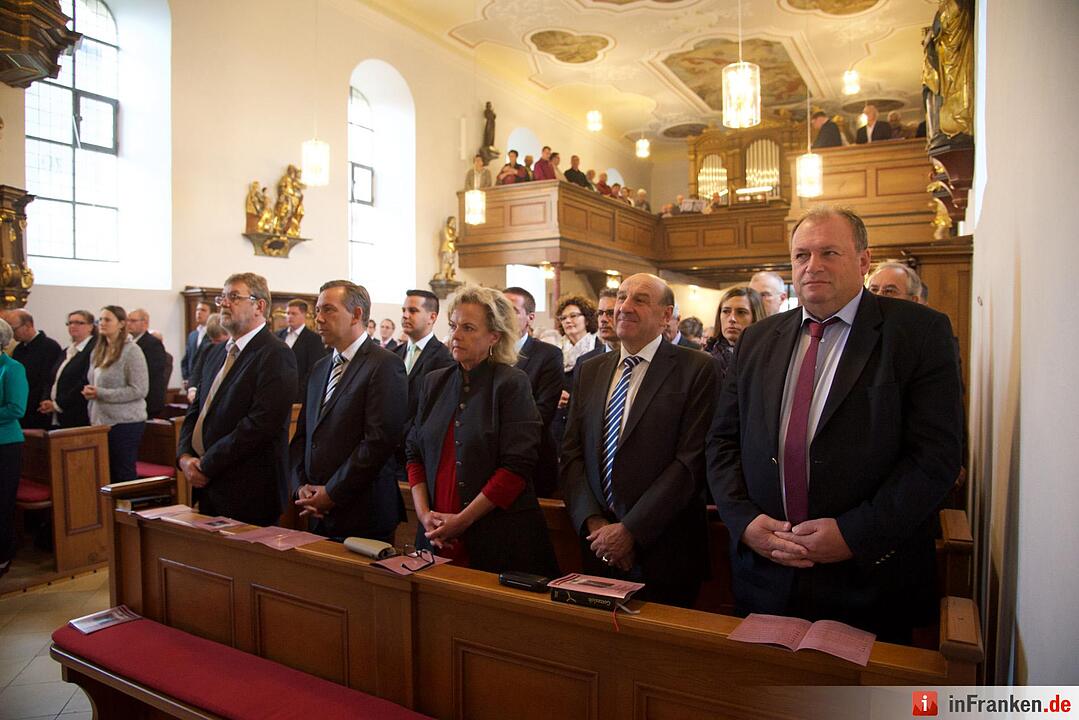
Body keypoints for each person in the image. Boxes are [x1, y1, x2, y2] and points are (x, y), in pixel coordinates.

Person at [707, 206, 963, 641]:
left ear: (863, 261)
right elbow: (722, 443)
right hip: (766, 571)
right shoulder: (757, 339)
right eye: (802, 255)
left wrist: (853, 534)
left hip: (868, 577)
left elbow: (935, 457)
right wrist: (745, 523)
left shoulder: (920, 333)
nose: (813, 266)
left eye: (829, 252)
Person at [561, 273, 718, 607]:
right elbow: (571, 452)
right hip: (597, 545)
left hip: (665, 549)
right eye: (621, 297)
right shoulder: (590, 369)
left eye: (640, 300)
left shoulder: (697, 368)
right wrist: (595, 523)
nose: (624, 307)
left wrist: (630, 531)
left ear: (666, 316)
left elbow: (689, 462)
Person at [405, 286, 558, 576]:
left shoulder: (512, 383)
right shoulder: (434, 381)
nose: (455, 335)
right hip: (433, 533)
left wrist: (461, 522)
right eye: (453, 326)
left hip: (497, 536)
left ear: (494, 336)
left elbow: (516, 468)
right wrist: (425, 515)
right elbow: (414, 452)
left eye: (468, 328)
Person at [289, 281, 407, 543]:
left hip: (363, 512)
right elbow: (304, 436)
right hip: (315, 510)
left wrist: (331, 493)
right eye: (317, 310)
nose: (318, 318)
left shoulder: (385, 365)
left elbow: (379, 441)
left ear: (356, 315)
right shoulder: (320, 368)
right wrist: (300, 487)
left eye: (328, 310)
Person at [178, 272, 298, 526]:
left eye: (234, 297)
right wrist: (185, 457)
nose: (223, 303)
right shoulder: (216, 352)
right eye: (223, 297)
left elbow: (260, 425)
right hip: (209, 483)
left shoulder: (275, 354)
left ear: (259, 306)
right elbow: (197, 409)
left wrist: (206, 465)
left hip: (249, 488)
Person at [387, 290, 455, 488]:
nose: (405, 315)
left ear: (432, 317)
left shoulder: (444, 358)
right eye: (404, 310)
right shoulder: (394, 355)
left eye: (413, 311)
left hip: (419, 454)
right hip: (389, 452)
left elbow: (434, 410)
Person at [504, 286, 564, 498]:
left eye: (511, 310)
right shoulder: (487, 353)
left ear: (529, 317)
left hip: (532, 462)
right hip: (490, 461)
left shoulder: (547, 355)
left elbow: (542, 413)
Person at [84, 306, 149, 483]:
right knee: (105, 473)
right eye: (100, 320)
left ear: (121, 324)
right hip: (100, 420)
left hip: (125, 422)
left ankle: (127, 510)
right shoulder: (99, 350)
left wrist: (100, 393)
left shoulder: (132, 351)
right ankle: (109, 511)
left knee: (123, 473)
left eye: (107, 320)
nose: (102, 324)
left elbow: (139, 389)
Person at [0, 317, 28, 579]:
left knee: (2, 501)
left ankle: (3, 555)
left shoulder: (12, 368)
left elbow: (16, 408)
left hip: (6, 443)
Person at [4, 309, 62, 430]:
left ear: (28, 325)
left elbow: (48, 380)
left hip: (38, 410)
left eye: (14, 329)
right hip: (22, 407)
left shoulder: (49, 347)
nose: (12, 335)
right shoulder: (19, 349)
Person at [40, 310, 97, 428]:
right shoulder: (67, 350)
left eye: (79, 323)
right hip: (56, 413)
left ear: (90, 327)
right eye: (70, 323)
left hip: (78, 413)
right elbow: (52, 378)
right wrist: (46, 399)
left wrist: (57, 404)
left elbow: (84, 381)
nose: (73, 326)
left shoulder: (93, 349)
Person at [706, 286, 766, 381]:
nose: (732, 319)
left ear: (755, 317)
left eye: (741, 312)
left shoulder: (766, 357)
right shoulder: (706, 356)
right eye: (726, 311)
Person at [278, 299, 328, 397]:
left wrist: (299, 392)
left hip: (300, 394)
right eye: (287, 313)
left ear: (304, 315)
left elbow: (314, 370)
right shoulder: (278, 336)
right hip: (278, 392)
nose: (289, 317)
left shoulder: (314, 339)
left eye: (294, 313)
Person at [126, 309, 168, 419]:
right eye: (128, 320)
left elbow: (151, 371)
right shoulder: (128, 343)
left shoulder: (153, 343)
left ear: (145, 324)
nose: (129, 324)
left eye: (133, 321)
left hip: (149, 400)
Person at [187, 313, 228, 403]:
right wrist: (192, 389)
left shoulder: (232, 350)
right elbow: (197, 371)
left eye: (218, 341)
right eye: (212, 340)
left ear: (229, 334)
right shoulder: (208, 348)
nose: (214, 344)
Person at [182, 300, 212, 386]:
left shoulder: (213, 334)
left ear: (211, 314)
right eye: (197, 310)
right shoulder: (193, 335)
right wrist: (186, 377)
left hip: (205, 380)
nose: (199, 313)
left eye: (203, 310)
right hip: (191, 381)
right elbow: (186, 358)